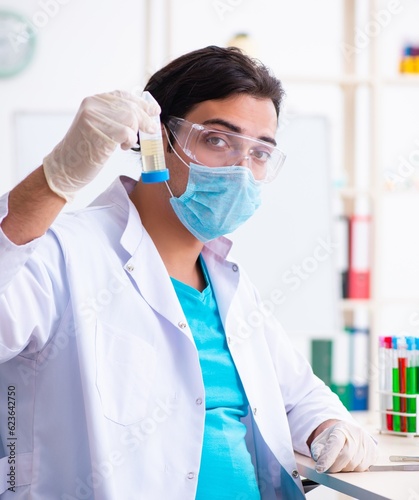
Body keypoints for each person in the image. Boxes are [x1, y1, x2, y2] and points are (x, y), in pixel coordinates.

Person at [0, 45, 377, 499]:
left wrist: (327, 426)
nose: (242, 170)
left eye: (260, 153)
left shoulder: (231, 285)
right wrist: (54, 179)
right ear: (158, 140)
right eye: (217, 140)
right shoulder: (64, 252)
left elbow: (299, 395)